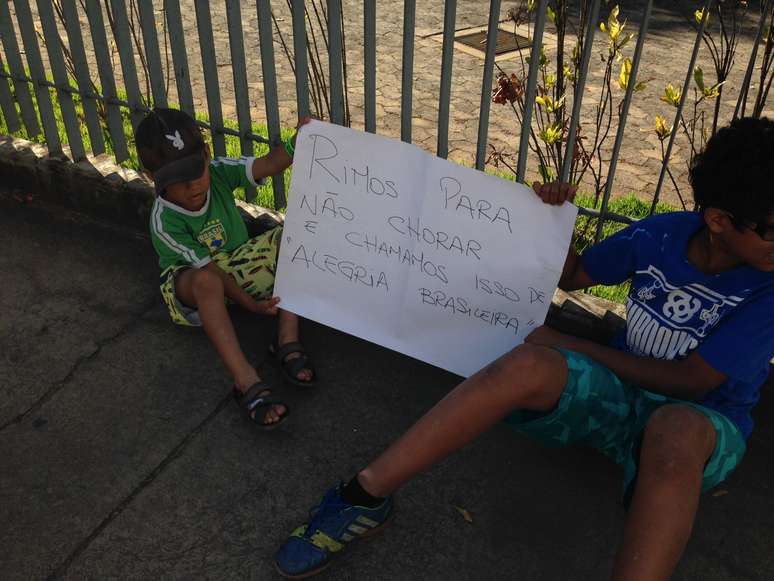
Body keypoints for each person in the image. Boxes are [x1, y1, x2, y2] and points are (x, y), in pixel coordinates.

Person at [274, 116, 774, 579]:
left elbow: (694, 383)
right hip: (619, 397)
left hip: (704, 426)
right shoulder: (662, 234)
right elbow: (576, 276)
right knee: (526, 364)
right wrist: (547, 219)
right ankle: (364, 495)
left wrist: (563, 339)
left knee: (676, 429)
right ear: (717, 220)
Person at [135, 108, 316, 430]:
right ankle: (245, 380)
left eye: (196, 171)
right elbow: (212, 273)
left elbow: (266, 164)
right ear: (151, 177)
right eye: (177, 182)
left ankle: (286, 339)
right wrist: (251, 305)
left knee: (297, 233)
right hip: (193, 289)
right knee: (207, 282)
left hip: (242, 265)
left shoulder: (218, 172)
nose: (192, 187)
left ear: (207, 156)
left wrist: (296, 144)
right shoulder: (164, 221)